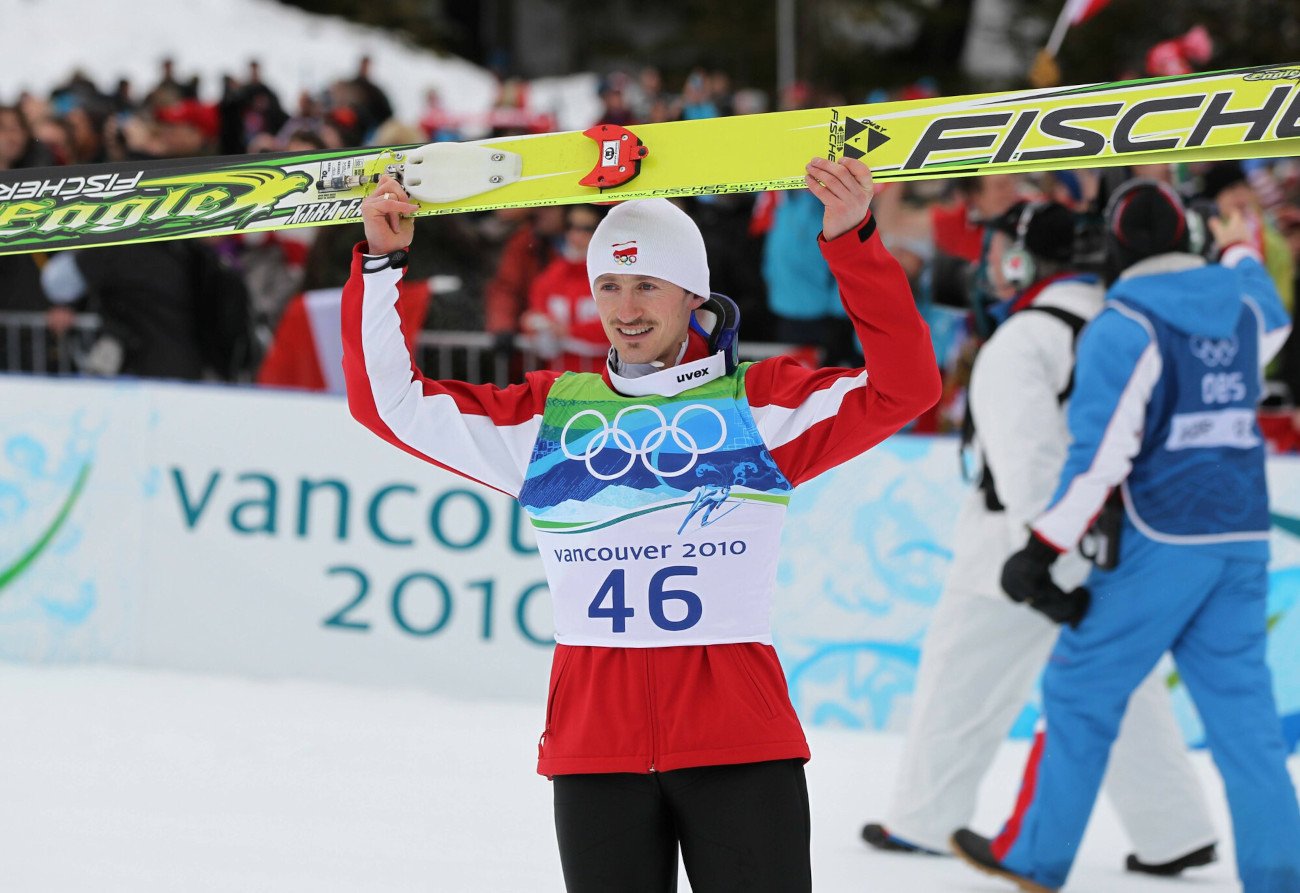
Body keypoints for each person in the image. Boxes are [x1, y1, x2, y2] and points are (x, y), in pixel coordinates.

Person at [342, 156, 941, 892]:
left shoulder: (753, 407)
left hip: (738, 747)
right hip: (596, 752)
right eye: (610, 285)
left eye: (648, 284)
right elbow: (389, 404)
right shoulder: (551, 418)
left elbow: (905, 386)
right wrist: (381, 265)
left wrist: (852, 239)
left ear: (693, 295)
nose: (626, 308)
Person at [952, 179, 1300, 893]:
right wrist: (1238, 243)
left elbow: (1100, 456)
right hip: (1239, 539)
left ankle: (1035, 857)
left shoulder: (1124, 324)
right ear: (1188, 237)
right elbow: (1274, 318)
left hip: (1159, 540)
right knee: (1246, 722)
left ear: (1113, 245)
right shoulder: (1238, 305)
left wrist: (1041, 549)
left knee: (1081, 690)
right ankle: (1280, 875)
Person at [862, 200, 1219, 876]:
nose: (988, 263)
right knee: (1118, 687)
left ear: (1025, 258)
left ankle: (922, 819)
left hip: (1019, 547)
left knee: (961, 678)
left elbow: (1031, 463)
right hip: (1113, 539)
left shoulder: (1024, 338)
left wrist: (1042, 561)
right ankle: (1175, 829)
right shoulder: (1120, 318)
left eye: (996, 248)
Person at [519, 204, 609, 372]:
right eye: (571, 227)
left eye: (587, 229)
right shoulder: (550, 276)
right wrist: (532, 324)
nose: (576, 236)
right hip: (560, 381)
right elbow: (535, 319)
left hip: (606, 382)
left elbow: (617, 327)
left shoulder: (616, 277)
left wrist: (565, 332)